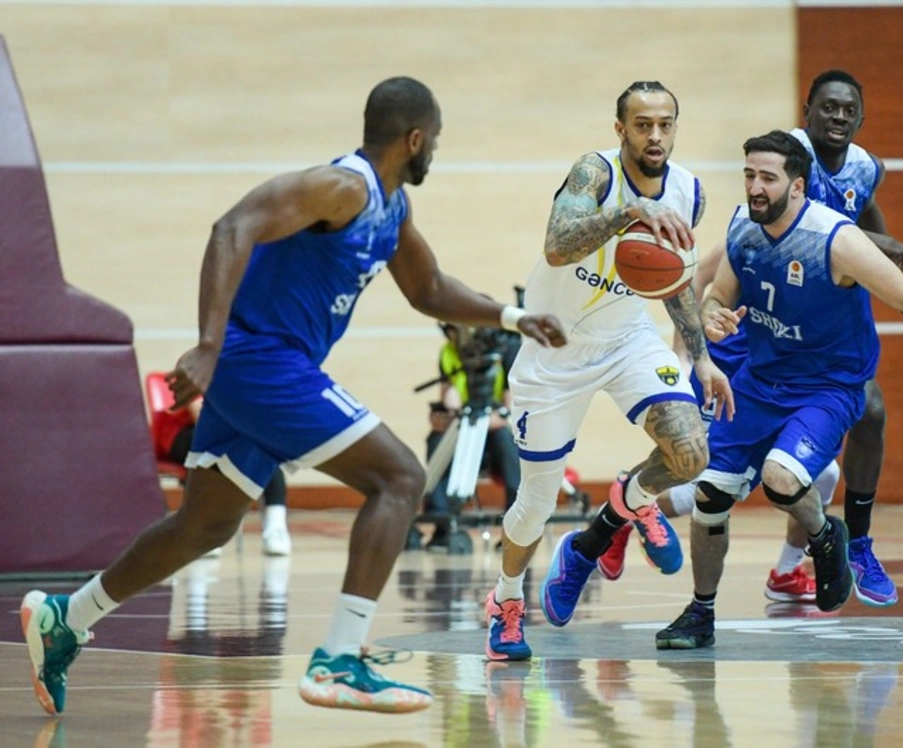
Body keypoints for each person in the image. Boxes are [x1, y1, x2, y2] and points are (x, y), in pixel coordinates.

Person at [20, 76, 566, 716]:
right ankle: (339, 658)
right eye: (434, 142)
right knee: (400, 476)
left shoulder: (392, 207)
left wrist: (510, 317)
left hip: (267, 368)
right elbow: (233, 227)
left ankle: (66, 618)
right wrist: (206, 344)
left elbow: (428, 288)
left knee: (205, 525)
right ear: (414, 139)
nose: (434, 154)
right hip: (259, 360)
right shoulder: (343, 187)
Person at [656, 130, 903, 649]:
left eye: (768, 177)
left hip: (828, 387)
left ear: (798, 186)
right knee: (710, 495)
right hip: (760, 382)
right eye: (749, 175)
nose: (756, 188)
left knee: (779, 478)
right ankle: (700, 612)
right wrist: (712, 316)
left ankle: (824, 534)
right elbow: (717, 293)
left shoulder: (836, 240)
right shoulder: (743, 227)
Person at [597, 70, 903, 608]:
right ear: (807, 112)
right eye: (827, 108)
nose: (838, 118)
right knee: (715, 477)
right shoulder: (781, 172)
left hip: (803, 347)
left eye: (849, 110)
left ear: (860, 117)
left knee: (824, 466)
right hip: (747, 340)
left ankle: (809, 562)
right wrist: (685, 349)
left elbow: (864, 223)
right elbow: (708, 270)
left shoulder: (863, 166)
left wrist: (897, 277)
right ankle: (633, 507)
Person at [483, 81, 734, 662]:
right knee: (537, 500)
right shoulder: (593, 175)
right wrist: (628, 211)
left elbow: (673, 281)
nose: (655, 135)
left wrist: (699, 356)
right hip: (553, 351)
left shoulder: (690, 190)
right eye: (642, 124)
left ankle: (629, 497)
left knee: (691, 452)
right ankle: (507, 599)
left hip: (627, 338)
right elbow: (555, 245)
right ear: (620, 129)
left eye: (665, 124)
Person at [423, 319, 521, 550]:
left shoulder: (504, 351)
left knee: (506, 439)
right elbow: (448, 396)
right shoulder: (448, 352)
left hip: (493, 430)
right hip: (463, 430)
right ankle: (441, 523)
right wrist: (444, 415)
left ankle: (516, 524)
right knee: (436, 438)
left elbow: (512, 410)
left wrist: (483, 420)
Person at [161, 395, 292, 557]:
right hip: (186, 431)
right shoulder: (199, 371)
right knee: (211, 450)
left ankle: (276, 529)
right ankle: (202, 532)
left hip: (231, 431)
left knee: (263, 453)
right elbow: (200, 416)